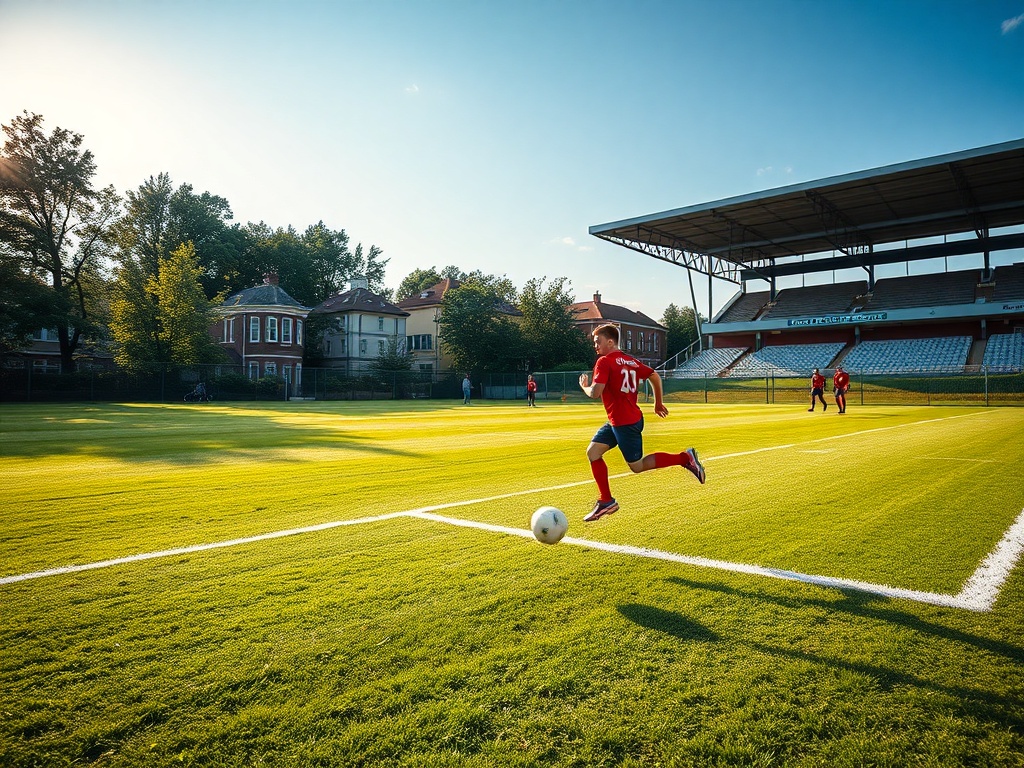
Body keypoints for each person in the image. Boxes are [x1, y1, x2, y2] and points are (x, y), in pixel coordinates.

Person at [578, 323, 705, 522]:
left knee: (637, 466)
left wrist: (584, 386)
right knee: (593, 453)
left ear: (610, 342)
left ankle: (684, 458)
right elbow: (654, 376)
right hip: (620, 420)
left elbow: (595, 393)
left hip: (625, 424)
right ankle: (606, 501)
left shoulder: (604, 362)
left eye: (598, 341)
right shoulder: (631, 361)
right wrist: (658, 403)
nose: (595, 346)